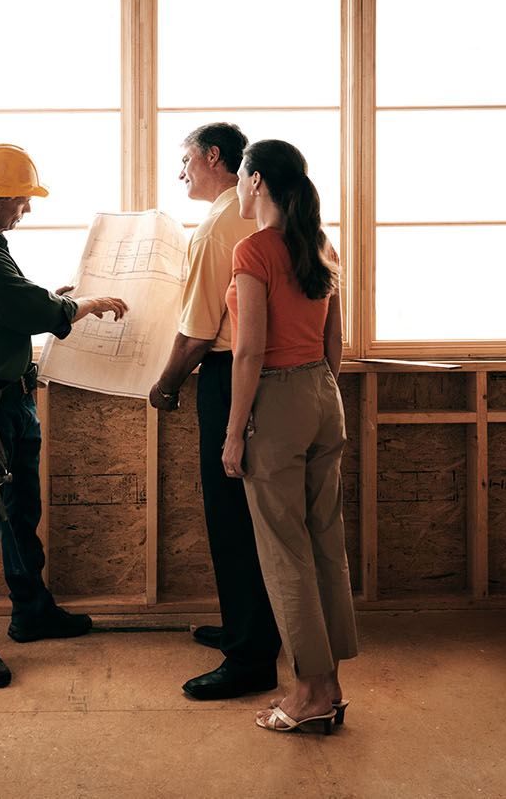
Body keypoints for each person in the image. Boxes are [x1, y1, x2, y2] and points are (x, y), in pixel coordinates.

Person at [0, 143, 129, 689]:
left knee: (20, 513)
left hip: (7, 401)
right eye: (22, 199)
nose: (28, 208)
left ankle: (31, 611)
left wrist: (48, 297)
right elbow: (32, 312)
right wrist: (80, 305)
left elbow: (12, 305)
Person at [220, 139, 357, 733]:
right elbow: (334, 344)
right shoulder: (319, 245)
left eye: (241, 181)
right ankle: (329, 683)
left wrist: (232, 435)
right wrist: (321, 395)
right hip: (324, 398)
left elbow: (248, 350)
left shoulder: (253, 250)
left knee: (285, 553)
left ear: (253, 181)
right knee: (325, 542)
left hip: (276, 401)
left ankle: (307, 693)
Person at [149, 123, 282, 700]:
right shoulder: (266, 216)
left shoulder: (216, 229)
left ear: (213, 157)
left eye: (185, 162)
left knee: (230, 514)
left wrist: (166, 384)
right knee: (255, 515)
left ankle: (250, 657)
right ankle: (246, 630)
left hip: (230, 376)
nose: (180, 174)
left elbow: (200, 332)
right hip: (280, 380)